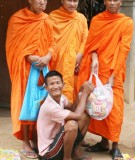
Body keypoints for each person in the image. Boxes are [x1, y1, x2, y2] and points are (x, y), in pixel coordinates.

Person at [77, 0, 134, 159]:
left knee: (115, 109)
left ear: (121, 2)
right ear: (104, 1)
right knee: (99, 105)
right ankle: (104, 142)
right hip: (98, 70)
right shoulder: (97, 20)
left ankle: (115, 145)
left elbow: (124, 49)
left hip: (114, 72)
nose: (112, 3)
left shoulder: (126, 22)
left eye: (116, 0)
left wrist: (115, 72)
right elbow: (91, 46)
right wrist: (94, 58)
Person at [6, 0, 55, 158]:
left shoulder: (47, 20)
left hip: (43, 69)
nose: (42, 2)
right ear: (30, 0)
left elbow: (53, 44)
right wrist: (28, 56)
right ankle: (26, 141)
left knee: (40, 103)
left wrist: (47, 56)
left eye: (45, 0)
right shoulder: (17, 19)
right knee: (25, 103)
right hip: (24, 69)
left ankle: (36, 138)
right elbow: (13, 45)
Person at [37, 70, 94, 160]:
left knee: (85, 116)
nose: (55, 86)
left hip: (58, 143)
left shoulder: (61, 98)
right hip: (49, 154)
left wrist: (81, 90)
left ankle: (75, 152)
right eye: (51, 84)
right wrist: (85, 94)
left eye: (58, 83)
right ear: (46, 88)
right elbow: (77, 116)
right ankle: (67, 158)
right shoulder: (50, 106)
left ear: (63, 84)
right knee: (71, 125)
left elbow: (74, 108)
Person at [49, 0, 88, 103]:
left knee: (75, 92)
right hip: (58, 62)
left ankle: (72, 115)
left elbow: (85, 39)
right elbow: (48, 39)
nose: (72, 4)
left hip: (77, 63)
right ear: (62, 1)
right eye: (69, 0)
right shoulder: (53, 17)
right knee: (58, 89)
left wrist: (79, 54)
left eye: (75, 1)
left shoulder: (81, 18)